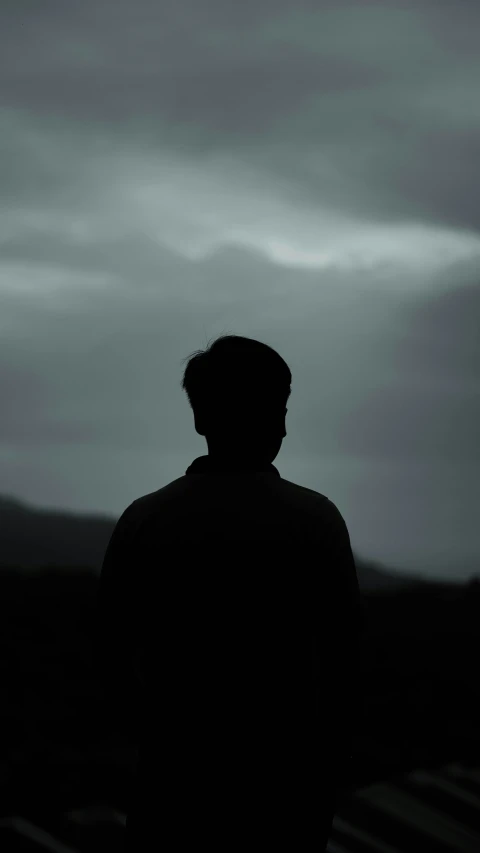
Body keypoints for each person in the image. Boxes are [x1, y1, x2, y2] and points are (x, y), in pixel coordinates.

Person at [95, 334, 364, 852]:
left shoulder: (145, 519)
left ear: (201, 418)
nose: (283, 426)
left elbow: (110, 654)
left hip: (172, 788)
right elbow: (344, 657)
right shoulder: (313, 519)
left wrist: (159, 740)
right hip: (283, 791)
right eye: (276, 409)